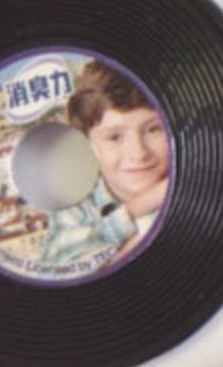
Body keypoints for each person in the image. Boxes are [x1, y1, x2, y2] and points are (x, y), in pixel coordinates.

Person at [39, 60, 170, 267]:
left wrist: (111, 259)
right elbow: (57, 268)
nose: (138, 153)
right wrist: (141, 205)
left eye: (153, 130)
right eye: (115, 137)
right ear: (87, 145)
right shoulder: (76, 204)